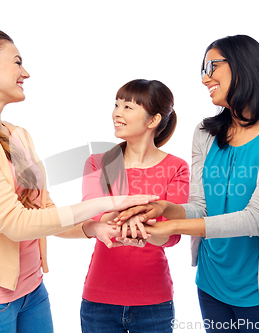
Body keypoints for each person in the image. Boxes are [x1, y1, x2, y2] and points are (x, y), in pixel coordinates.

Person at [0, 28, 158, 333]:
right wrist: (107, 202)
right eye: (17, 62)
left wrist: (91, 227)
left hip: (32, 292)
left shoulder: (17, 135)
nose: (25, 72)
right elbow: (14, 223)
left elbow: (42, 212)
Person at [115, 35, 259, 332]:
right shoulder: (205, 132)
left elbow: (256, 219)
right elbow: (201, 206)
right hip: (212, 283)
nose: (206, 78)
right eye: (203, 70)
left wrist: (172, 226)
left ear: (244, 66)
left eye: (212, 66)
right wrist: (167, 209)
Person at [58, 79, 190, 333]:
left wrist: (122, 219)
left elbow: (173, 235)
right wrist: (143, 220)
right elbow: (92, 211)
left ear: (153, 120)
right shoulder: (98, 162)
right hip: (99, 301)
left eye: (128, 107)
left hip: (154, 301)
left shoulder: (176, 167)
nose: (116, 113)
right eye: (116, 104)